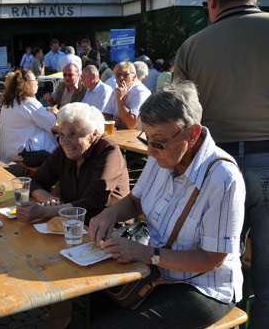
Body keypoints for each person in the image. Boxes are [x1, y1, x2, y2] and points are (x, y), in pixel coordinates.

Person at [88, 81, 245, 328]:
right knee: (93, 300)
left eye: (158, 142)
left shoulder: (223, 178)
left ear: (192, 134)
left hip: (203, 286)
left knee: (115, 325)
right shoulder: (162, 153)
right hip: (158, 272)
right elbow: (135, 200)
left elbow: (212, 259)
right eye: (146, 139)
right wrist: (110, 214)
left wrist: (148, 254)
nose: (150, 151)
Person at [173, 0, 269, 327]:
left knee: (218, 264)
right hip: (266, 159)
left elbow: (178, 118)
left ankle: (228, 321)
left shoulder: (192, 46)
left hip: (217, 166)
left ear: (213, 2)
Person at [16, 102, 129, 223]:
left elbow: (94, 202)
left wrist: (44, 212)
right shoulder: (64, 151)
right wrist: (46, 197)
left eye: (73, 134)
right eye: (62, 134)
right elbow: (35, 180)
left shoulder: (108, 151)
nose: (64, 141)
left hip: (111, 228)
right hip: (75, 224)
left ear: (93, 135)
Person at [0, 70, 58, 167]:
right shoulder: (28, 102)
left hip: (10, 148)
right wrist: (54, 113)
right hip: (24, 152)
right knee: (60, 146)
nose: (37, 82)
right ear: (26, 84)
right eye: (35, 79)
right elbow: (49, 123)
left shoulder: (9, 102)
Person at [103, 61, 151, 129]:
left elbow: (131, 124)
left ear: (134, 77)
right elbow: (105, 115)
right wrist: (112, 121)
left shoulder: (141, 92)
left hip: (136, 136)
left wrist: (120, 99)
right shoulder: (116, 88)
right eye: (118, 74)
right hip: (119, 134)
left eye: (125, 74)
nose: (121, 78)